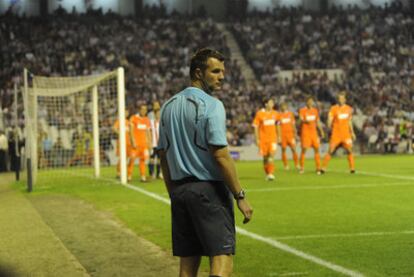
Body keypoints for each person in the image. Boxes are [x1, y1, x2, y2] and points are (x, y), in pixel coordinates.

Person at [157, 48, 253, 277]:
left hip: (180, 191)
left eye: (223, 71)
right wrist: (240, 196)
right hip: (208, 191)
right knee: (221, 257)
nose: (222, 76)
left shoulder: (167, 107)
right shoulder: (212, 105)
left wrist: (174, 193)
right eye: (216, 71)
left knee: (187, 265)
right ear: (198, 73)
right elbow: (220, 155)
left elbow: (163, 155)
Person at [321, 92, 356, 173]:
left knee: (349, 150)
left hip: (346, 134)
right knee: (331, 150)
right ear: (337, 100)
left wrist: (352, 132)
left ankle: (352, 168)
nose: (341, 100)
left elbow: (349, 121)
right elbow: (330, 118)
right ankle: (323, 168)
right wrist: (328, 124)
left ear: (345, 100)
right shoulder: (333, 108)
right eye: (339, 99)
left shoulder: (349, 109)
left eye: (342, 99)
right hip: (336, 134)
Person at [252, 99, 279, 181]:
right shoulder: (259, 114)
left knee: (271, 156)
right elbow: (255, 127)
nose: (272, 104)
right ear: (266, 104)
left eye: (273, 102)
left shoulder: (275, 113)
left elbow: (278, 125)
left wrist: (279, 136)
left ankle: (270, 174)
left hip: (273, 139)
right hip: (263, 139)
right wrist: (257, 139)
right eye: (270, 102)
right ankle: (267, 173)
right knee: (265, 158)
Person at [298, 97, 325, 174]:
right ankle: (302, 167)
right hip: (305, 133)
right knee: (304, 149)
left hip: (314, 133)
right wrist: (303, 120)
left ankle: (318, 168)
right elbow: (300, 120)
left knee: (316, 149)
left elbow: (317, 121)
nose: (310, 103)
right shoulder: (302, 110)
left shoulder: (315, 111)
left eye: (311, 101)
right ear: (306, 102)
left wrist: (321, 131)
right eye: (309, 101)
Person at [130, 104, 152, 182]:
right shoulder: (134, 118)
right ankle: (129, 176)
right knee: (132, 159)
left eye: (145, 110)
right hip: (136, 144)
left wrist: (150, 142)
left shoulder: (147, 120)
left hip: (144, 144)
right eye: (142, 109)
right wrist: (133, 141)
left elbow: (148, 132)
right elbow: (131, 131)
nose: (144, 111)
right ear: (139, 110)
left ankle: (143, 177)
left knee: (143, 160)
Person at [113, 109, 133, 181]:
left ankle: (126, 172)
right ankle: (118, 172)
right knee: (122, 158)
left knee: (128, 158)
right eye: (125, 112)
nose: (126, 113)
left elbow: (131, 133)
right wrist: (119, 133)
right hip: (121, 143)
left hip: (128, 143)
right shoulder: (119, 121)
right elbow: (114, 128)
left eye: (127, 112)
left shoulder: (128, 122)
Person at [278, 102, 299, 170]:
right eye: (282, 106)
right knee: (283, 150)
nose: (283, 107)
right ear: (281, 107)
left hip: (290, 135)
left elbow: (293, 124)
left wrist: (295, 133)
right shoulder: (279, 115)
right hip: (283, 135)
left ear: (286, 107)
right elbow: (278, 126)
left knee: (293, 149)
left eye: (284, 106)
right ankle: (286, 165)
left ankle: (297, 164)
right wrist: (279, 136)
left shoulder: (290, 114)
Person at [149, 109, 162, 179]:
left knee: (160, 160)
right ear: (155, 114)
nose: (158, 115)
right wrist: (150, 142)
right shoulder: (151, 122)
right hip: (153, 144)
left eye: (159, 113)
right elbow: (149, 132)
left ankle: (158, 174)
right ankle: (151, 173)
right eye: (157, 113)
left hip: (160, 144)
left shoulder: (162, 123)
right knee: (152, 159)